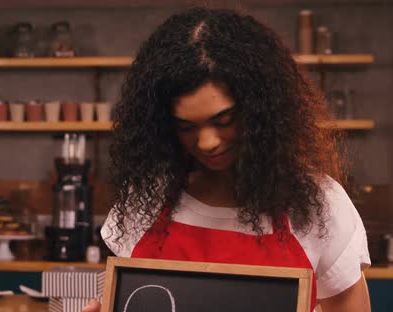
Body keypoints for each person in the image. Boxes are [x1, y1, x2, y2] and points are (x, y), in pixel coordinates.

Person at [83, 7, 371, 312]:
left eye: (224, 120)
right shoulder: (145, 201)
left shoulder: (317, 204)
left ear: (261, 110)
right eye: (186, 126)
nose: (207, 143)